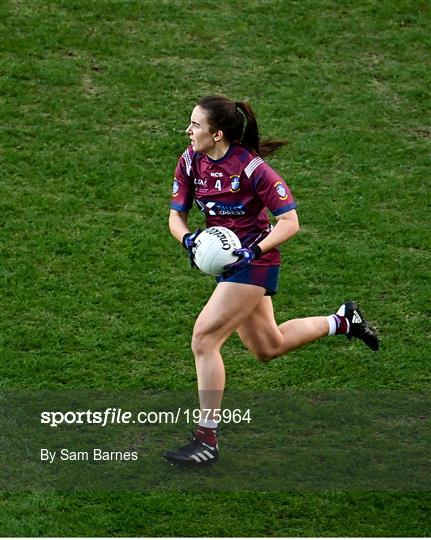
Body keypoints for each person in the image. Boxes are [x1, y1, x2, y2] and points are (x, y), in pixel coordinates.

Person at [164, 95, 379, 466]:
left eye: (195, 124)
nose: (188, 130)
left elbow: (290, 223)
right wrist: (188, 239)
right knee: (268, 346)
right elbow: (175, 217)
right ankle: (343, 320)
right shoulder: (190, 162)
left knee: (204, 338)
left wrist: (254, 252)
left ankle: (206, 439)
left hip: (254, 263)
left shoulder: (252, 169)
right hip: (228, 265)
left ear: (217, 134)